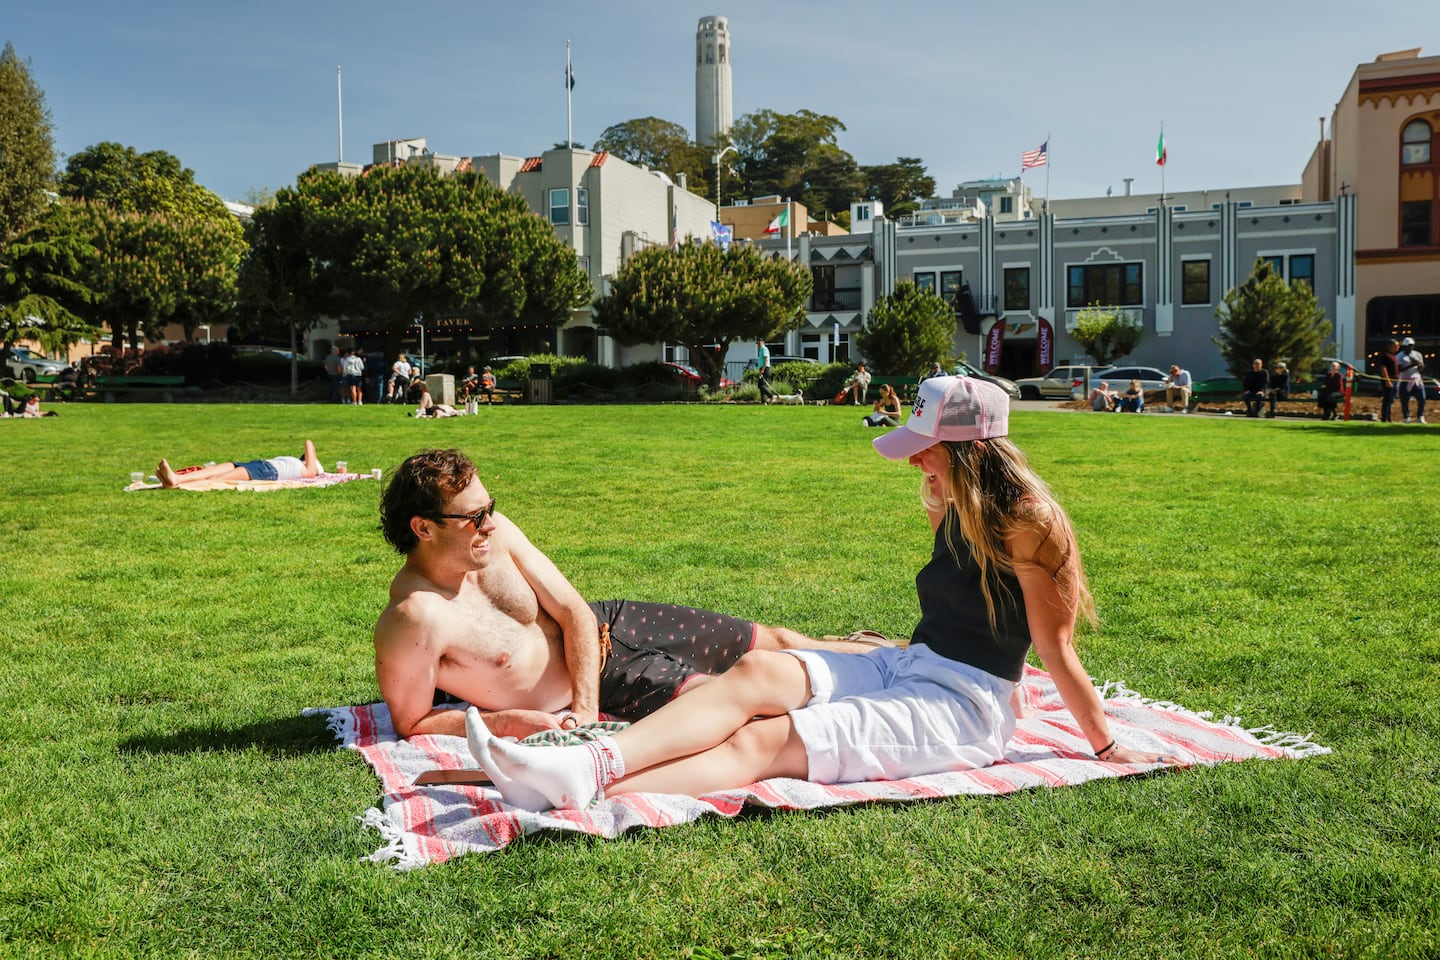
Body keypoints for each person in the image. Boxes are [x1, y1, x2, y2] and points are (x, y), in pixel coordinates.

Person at [464, 377, 1169, 812]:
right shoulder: (950, 498)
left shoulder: (1031, 521)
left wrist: (1106, 747)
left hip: (968, 706)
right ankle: (588, 761)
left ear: (973, 449)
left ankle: (583, 786)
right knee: (759, 672)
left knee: (766, 739)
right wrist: (933, 500)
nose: (916, 457)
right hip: (912, 667)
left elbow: (1056, 646)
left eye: (929, 447)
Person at [372, 449, 887, 740]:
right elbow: (411, 721)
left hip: (608, 623)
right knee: (739, 699)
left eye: (489, 508)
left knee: (773, 639)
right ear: (423, 528)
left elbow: (572, 609)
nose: (489, 523)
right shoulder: (415, 619)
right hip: (608, 680)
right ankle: (883, 703)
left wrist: (586, 712)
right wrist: (506, 722)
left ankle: (900, 657)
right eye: (473, 517)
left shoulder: (497, 533)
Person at [156, 440, 324, 488]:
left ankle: (176, 482)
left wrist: (311, 446)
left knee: (219, 478)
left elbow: (309, 444)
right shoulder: (297, 463)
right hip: (260, 464)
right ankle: (176, 477)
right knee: (211, 470)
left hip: (267, 471)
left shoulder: (309, 470)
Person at [1396, 337, 1427, 424]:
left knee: (1422, 399)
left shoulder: (1417, 354)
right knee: (1405, 400)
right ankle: (1407, 417)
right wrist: (1412, 364)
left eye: (1411, 346)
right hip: (1405, 380)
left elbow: (1421, 369)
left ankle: (1420, 416)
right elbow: (1399, 369)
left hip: (1416, 379)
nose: (1410, 348)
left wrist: (1419, 365)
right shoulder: (1399, 356)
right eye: (1408, 346)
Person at [1377, 341, 1399, 424]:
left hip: (1395, 380)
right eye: (1396, 346)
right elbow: (1383, 368)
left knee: (1391, 399)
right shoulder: (1385, 355)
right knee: (1387, 399)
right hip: (1389, 380)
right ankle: (1384, 417)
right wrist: (1387, 380)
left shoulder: (1394, 356)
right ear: (1391, 346)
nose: (1398, 347)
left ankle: (1388, 417)